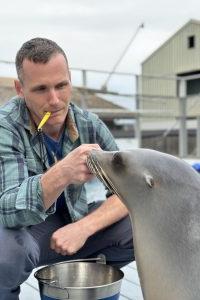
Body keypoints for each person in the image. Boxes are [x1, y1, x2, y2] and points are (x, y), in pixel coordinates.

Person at [0, 37, 133, 299]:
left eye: (62, 85)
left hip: (73, 226)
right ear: (19, 88)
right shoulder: (6, 127)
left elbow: (129, 190)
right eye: (40, 89)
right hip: (26, 234)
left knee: (138, 227)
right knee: (5, 252)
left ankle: (83, 279)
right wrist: (62, 173)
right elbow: (7, 210)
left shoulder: (89, 124)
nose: (55, 100)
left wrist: (83, 228)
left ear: (70, 79)